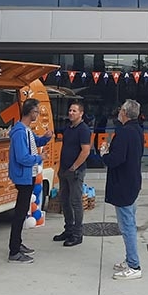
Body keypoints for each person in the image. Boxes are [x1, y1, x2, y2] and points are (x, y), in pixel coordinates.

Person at [100, 99, 144, 280]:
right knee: (129, 223)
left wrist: (104, 154)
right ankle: (129, 259)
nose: (118, 112)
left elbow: (116, 159)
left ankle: (134, 266)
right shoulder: (138, 130)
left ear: (125, 113)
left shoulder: (124, 132)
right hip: (132, 182)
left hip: (124, 184)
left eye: (120, 110)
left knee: (127, 226)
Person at [7, 98, 53, 263]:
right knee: (20, 213)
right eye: (37, 112)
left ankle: (17, 244)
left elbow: (36, 142)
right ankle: (14, 251)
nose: (38, 114)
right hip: (23, 175)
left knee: (22, 211)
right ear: (30, 112)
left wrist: (46, 138)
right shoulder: (20, 132)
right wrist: (39, 157)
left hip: (28, 174)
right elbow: (22, 157)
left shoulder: (26, 130)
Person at [53, 102, 91, 247]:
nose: (71, 113)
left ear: (81, 113)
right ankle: (68, 229)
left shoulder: (83, 130)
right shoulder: (68, 129)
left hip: (75, 171)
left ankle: (77, 233)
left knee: (76, 202)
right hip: (64, 170)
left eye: (74, 111)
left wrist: (75, 167)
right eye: (70, 110)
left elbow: (85, 151)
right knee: (65, 201)